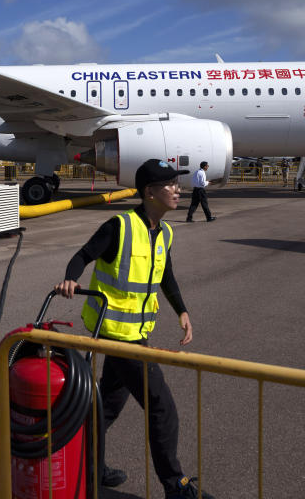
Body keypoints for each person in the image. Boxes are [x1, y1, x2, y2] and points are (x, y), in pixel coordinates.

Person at [54, 159, 213, 499]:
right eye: (170, 185)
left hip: (136, 334)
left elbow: (166, 276)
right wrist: (71, 278)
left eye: (177, 184)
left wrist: (181, 310)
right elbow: (83, 255)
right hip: (114, 335)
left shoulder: (164, 232)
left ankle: (87, 467)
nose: (178, 190)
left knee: (107, 405)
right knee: (162, 406)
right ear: (150, 192)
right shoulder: (120, 226)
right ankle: (175, 485)